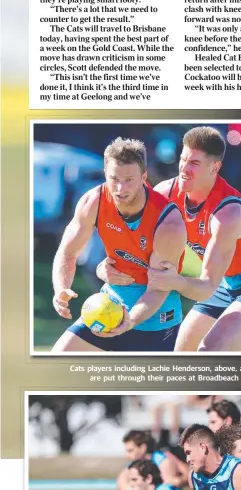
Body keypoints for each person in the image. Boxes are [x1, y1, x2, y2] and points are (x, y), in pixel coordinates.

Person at [136, 126, 241, 352]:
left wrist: (175, 281)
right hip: (224, 283)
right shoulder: (165, 193)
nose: (184, 169)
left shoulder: (228, 213)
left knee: (211, 352)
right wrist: (114, 266)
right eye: (183, 160)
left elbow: (205, 286)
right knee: (182, 357)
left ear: (215, 167)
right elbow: (134, 239)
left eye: (194, 163)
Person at [51, 137, 186, 353]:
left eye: (129, 180)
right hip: (108, 309)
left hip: (156, 321)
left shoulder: (168, 221)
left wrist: (130, 320)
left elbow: (159, 288)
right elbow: (67, 252)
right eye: (114, 179)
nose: (120, 188)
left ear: (144, 177)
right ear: (105, 174)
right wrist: (61, 288)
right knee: (59, 361)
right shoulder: (93, 201)